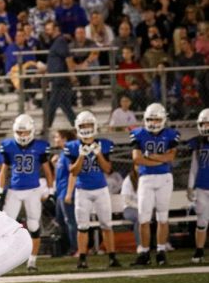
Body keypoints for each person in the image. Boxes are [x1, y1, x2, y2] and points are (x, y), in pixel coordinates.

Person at [64, 112, 120, 270]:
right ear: (77, 128)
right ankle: (82, 259)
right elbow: (73, 171)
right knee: (82, 226)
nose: (86, 128)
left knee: (106, 224)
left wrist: (98, 154)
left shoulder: (104, 144)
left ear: (94, 126)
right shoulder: (72, 146)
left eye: (88, 125)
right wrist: (81, 156)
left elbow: (108, 169)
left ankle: (112, 257)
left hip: (101, 189)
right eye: (83, 126)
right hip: (82, 190)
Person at [0, 114, 53, 272]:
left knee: (34, 224)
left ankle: (32, 261)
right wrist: (0, 192)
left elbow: (47, 170)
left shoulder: (41, 146)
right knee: (6, 226)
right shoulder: (8, 145)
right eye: (20, 132)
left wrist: (51, 191)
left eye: (25, 132)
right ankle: (5, 260)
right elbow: (4, 171)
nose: (22, 136)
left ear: (32, 131)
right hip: (14, 190)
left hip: (33, 190)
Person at [130, 103, 179, 267]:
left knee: (162, 217)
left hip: (164, 178)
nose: (153, 122)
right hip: (146, 179)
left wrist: (150, 157)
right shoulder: (138, 133)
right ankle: (144, 252)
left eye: (157, 119)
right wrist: (160, 158)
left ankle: (160, 251)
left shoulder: (171, 134)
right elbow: (136, 159)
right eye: (150, 119)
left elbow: (171, 157)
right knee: (143, 218)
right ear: (145, 119)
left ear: (163, 119)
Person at [44, 20, 76, 128]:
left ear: (56, 29)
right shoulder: (56, 41)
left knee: (52, 104)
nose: (47, 32)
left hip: (60, 78)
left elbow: (68, 58)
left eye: (49, 29)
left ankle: (46, 127)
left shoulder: (60, 41)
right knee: (65, 105)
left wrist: (72, 75)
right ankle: (76, 124)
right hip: (57, 77)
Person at [187, 109, 209, 264]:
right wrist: (190, 186)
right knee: (202, 219)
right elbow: (194, 166)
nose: (205, 126)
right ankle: (199, 250)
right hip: (202, 186)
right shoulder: (198, 142)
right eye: (203, 123)